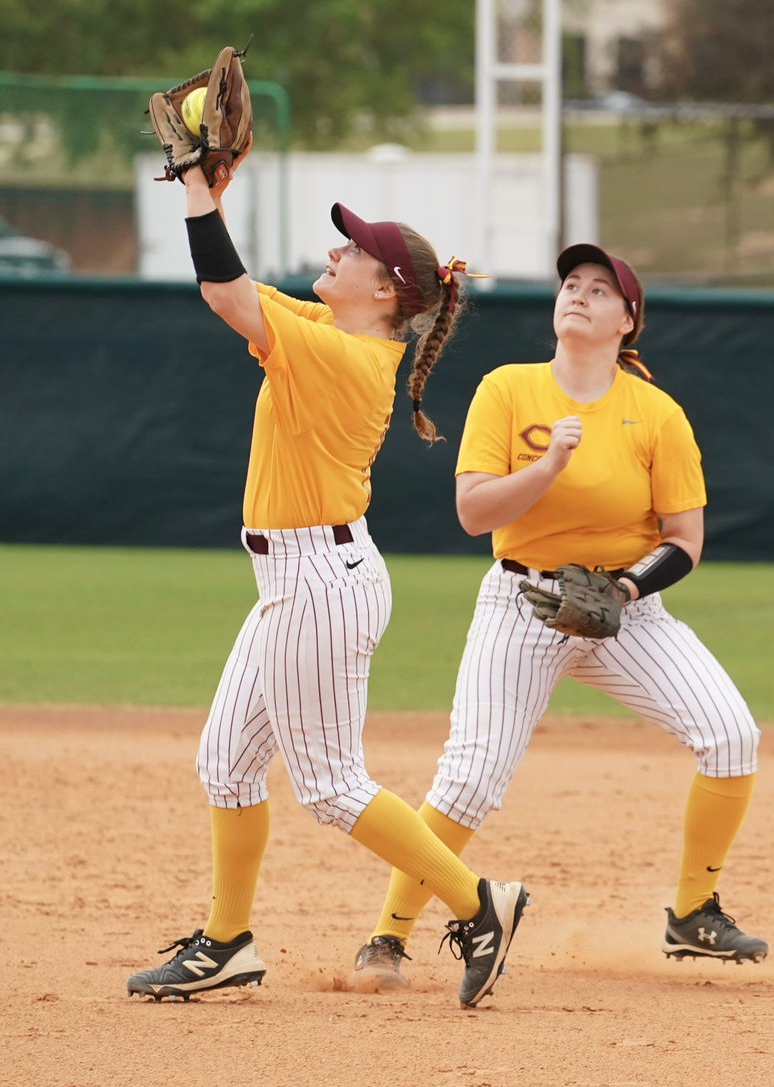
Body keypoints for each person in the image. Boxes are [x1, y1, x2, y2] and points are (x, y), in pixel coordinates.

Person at [126, 141, 528, 1009]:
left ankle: (477, 903)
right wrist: (213, 202)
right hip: (294, 582)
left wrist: (197, 189)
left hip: (320, 583)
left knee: (332, 785)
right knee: (227, 765)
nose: (335, 250)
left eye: (353, 249)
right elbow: (227, 289)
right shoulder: (325, 331)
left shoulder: (348, 360)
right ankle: (227, 940)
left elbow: (227, 294)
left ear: (387, 292)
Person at [353, 241, 767, 986]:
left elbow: (684, 539)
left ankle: (693, 913)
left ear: (626, 321)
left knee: (731, 735)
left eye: (599, 290)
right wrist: (547, 469)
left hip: (625, 611)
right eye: (570, 283)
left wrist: (624, 593)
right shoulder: (508, 390)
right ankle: (388, 936)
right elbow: (473, 514)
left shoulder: (655, 414)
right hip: (524, 601)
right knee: (470, 777)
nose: (578, 294)